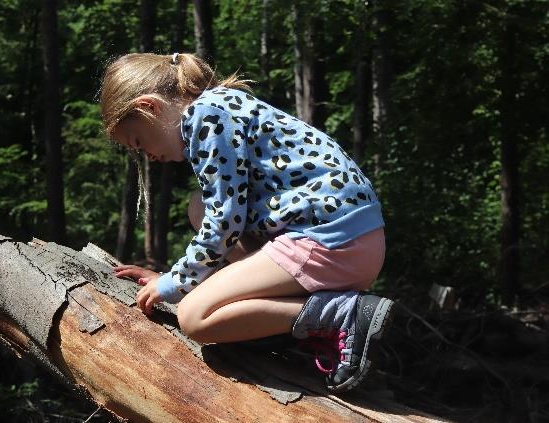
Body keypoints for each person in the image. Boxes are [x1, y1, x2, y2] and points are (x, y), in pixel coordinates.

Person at [102, 52, 395, 393]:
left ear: (149, 107)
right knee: (197, 206)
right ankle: (289, 322)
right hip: (349, 236)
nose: (148, 156)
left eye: (138, 142)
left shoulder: (204, 116)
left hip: (331, 240)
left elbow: (224, 223)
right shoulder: (219, 105)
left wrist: (173, 284)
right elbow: (221, 214)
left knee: (194, 317)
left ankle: (339, 316)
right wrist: (175, 277)